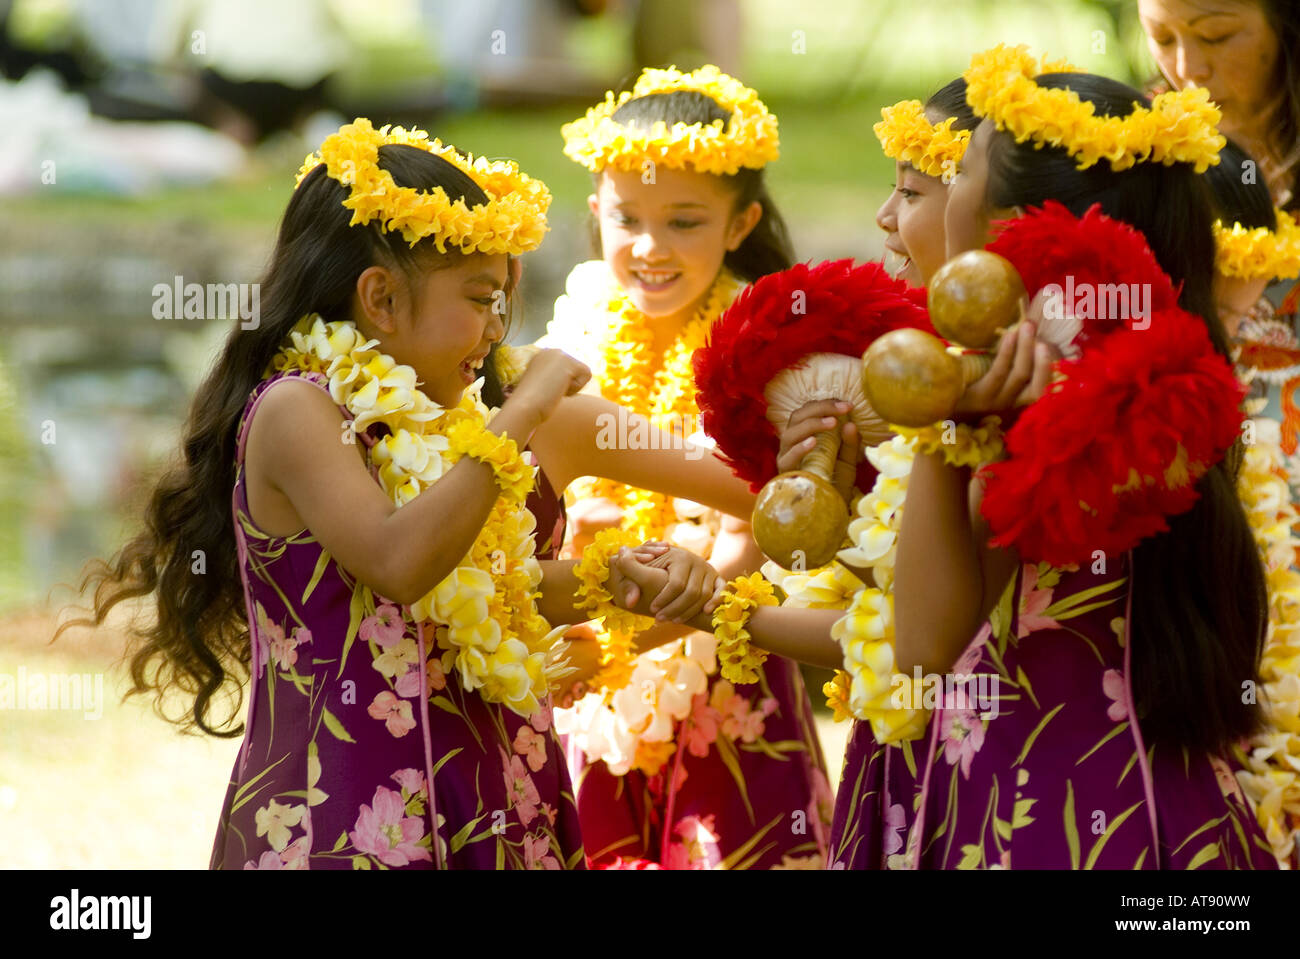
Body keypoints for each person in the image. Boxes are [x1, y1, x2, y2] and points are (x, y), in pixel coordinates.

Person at [61, 118, 724, 870]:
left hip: (493, 790)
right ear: (379, 296)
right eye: (481, 298)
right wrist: (523, 411)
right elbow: (400, 562)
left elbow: (479, 589)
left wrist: (614, 576)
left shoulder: (450, 418)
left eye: (504, 302)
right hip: (344, 808)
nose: (497, 329)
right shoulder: (298, 411)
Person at [684, 46, 1280, 868]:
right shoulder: (1124, 351)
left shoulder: (1043, 389)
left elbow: (928, 639)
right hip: (1118, 787)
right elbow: (953, 587)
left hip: (1045, 808)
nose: (900, 209)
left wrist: (943, 422)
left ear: (1010, 225)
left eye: (954, 174)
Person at [539, 65, 833, 869]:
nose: (649, 247)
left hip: (720, 662)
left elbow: (754, 539)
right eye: (627, 216)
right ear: (595, 208)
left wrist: (626, 642)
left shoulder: (761, 344)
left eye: (684, 221)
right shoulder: (571, 334)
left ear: (741, 224)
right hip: (587, 663)